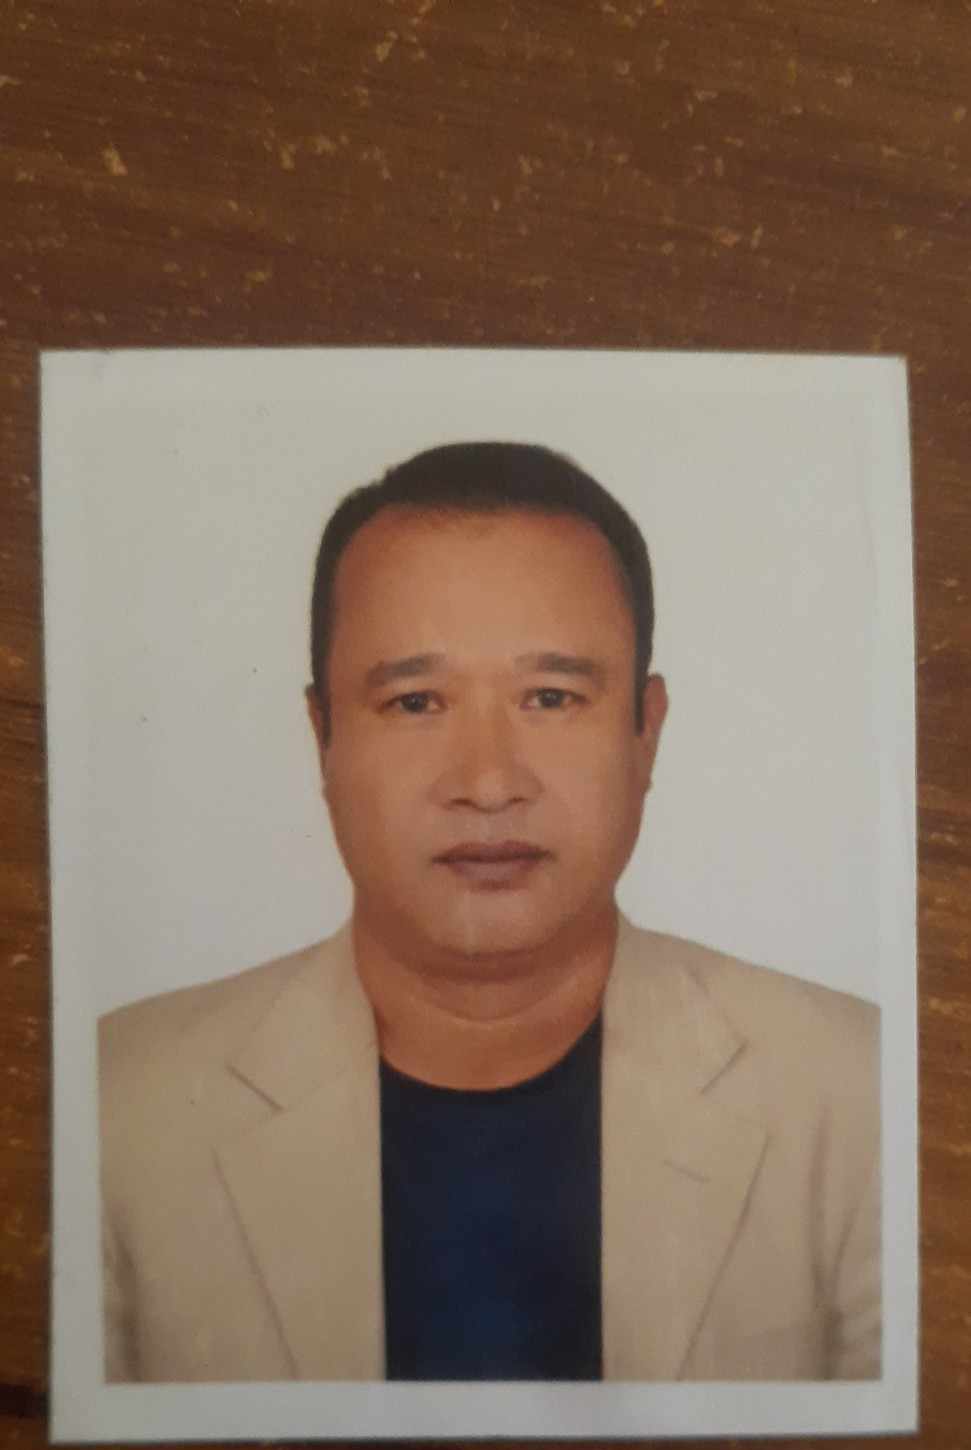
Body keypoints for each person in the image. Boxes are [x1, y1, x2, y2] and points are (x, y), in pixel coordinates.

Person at [99, 442, 881, 1386]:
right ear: (322, 739)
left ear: (645, 734)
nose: (487, 782)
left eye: (551, 697)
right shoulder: (117, 1110)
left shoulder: (857, 1095)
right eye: (414, 701)